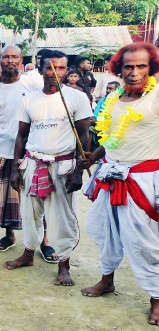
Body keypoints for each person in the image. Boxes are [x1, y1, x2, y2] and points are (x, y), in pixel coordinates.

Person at [80, 42, 159, 325]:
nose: (134, 72)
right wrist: (95, 156)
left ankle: (157, 298)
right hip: (110, 175)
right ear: (118, 69)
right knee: (104, 230)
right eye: (128, 66)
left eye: (141, 66)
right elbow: (112, 137)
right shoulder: (113, 99)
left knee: (145, 242)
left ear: (151, 69)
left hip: (143, 180)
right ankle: (107, 280)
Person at [3, 50, 91, 287]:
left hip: (63, 165)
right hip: (33, 163)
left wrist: (78, 171)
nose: (55, 72)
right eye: (50, 67)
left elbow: (84, 137)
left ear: (67, 70)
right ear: (40, 69)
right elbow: (21, 137)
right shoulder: (29, 99)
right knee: (30, 214)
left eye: (61, 68)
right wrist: (15, 170)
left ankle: (64, 265)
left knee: (62, 218)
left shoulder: (77, 98)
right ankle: (28, 253)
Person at [0, 46, 56, 259]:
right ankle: (9, 235)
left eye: (14, 57)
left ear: (21, 60)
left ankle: (44, 241)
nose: (10, 60)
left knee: (37, 196)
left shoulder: (33, 84)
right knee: (2, 198)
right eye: (6, 57)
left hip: (31, 149)